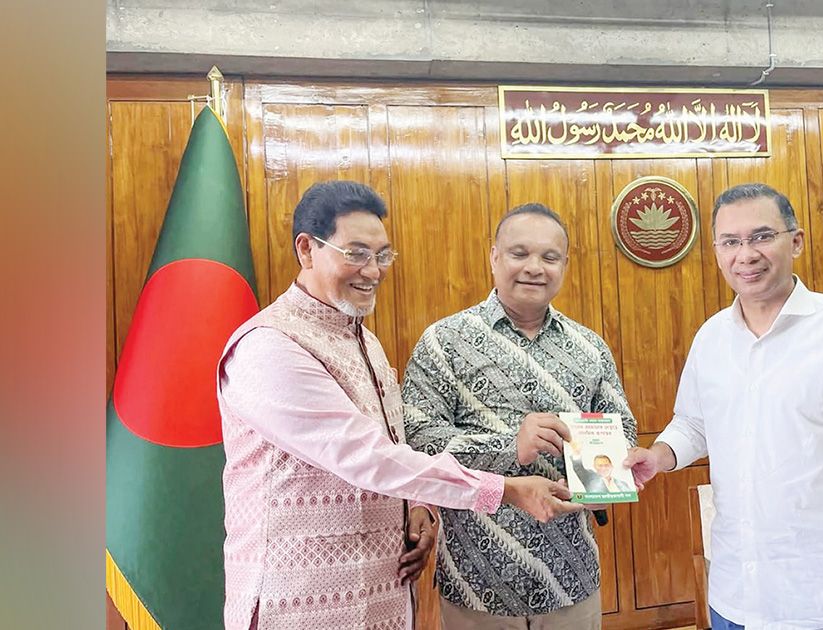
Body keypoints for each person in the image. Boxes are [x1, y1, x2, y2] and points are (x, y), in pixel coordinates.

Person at [217, 181, 581, 630]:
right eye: (356, 253)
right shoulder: (270, 347)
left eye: (383, 255)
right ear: (307, 249)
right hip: (298, 600)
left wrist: (418, 505)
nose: (372, 271)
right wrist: (504, 488)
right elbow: (365, 456)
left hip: (384, 590)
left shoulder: (364, 341)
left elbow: (397, 443)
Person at [625, 183, 823, 630]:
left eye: (761, 236)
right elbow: (694, 423)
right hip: (733, 597)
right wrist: (658, 455)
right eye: (730, 242)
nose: (745, 255)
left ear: (796, 241)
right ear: (717, 253)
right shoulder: (712, 338)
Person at [401, 202, 637, 629]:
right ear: (494, 256)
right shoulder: (443, 342)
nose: (534, 268)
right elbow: (418, 441)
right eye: (519, 253)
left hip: (572, 578)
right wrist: (510, 447)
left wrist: (603, 478)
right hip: (477, 580)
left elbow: (621, 433)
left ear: (565, 265)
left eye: (549, 257)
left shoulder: (590, 347)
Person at [567, 442, 635, 494]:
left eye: (606, 465)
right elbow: (579, 468)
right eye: (600, 465)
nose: (603, 468)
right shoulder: (589, 478)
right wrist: (576, 452)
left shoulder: (622, 484)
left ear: (611, 466)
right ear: (594, 466)